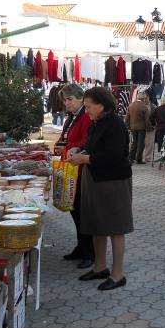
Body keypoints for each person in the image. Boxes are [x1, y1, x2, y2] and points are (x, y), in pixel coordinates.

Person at [68, 87, 133, 291]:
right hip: (95, 181)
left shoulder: (115, 125)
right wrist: (78, 149)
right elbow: (92, 146)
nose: (86, 111)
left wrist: (85, 158)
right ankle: (100, 267)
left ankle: (118, 274)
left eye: (89, 107)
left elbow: (113, 156)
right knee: (97, 226)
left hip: (114, 182)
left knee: (115, 228)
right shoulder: (96, 123)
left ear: (101, 106)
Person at [56, 84, 94, 269]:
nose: (67, 103)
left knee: (81, 212)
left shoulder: (86, 116)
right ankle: (81, 247)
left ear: (80, 98)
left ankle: (89, 252)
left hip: (81, 170)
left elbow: (87, 141)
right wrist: (60, 145)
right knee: (75, 210)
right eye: (65, 100)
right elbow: (67, 138)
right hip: (71, 169)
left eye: (70, 99)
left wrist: (71, 147)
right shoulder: (72, 117)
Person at [125, 93, 149, 165]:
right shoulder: (144, 107)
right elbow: (147, 120)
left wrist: (128, 127)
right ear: (143, 99)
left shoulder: (131, 105)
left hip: (133, 127)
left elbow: (127, 118)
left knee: (134, 143)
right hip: (142, 128)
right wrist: (149, 127)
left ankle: (131, 158)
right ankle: (138, 159)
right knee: (141, 144)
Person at [143, 92, 156, 163]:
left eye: (146, 98)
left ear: (148, 98)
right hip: (142, 127)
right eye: (144, 98)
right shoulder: (141, 106)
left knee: (150, 143)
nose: (145, 99)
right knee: (142, 143)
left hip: (151, 127)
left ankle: (147, 157)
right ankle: (139, 156)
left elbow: (156, 116)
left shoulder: (153, 106)